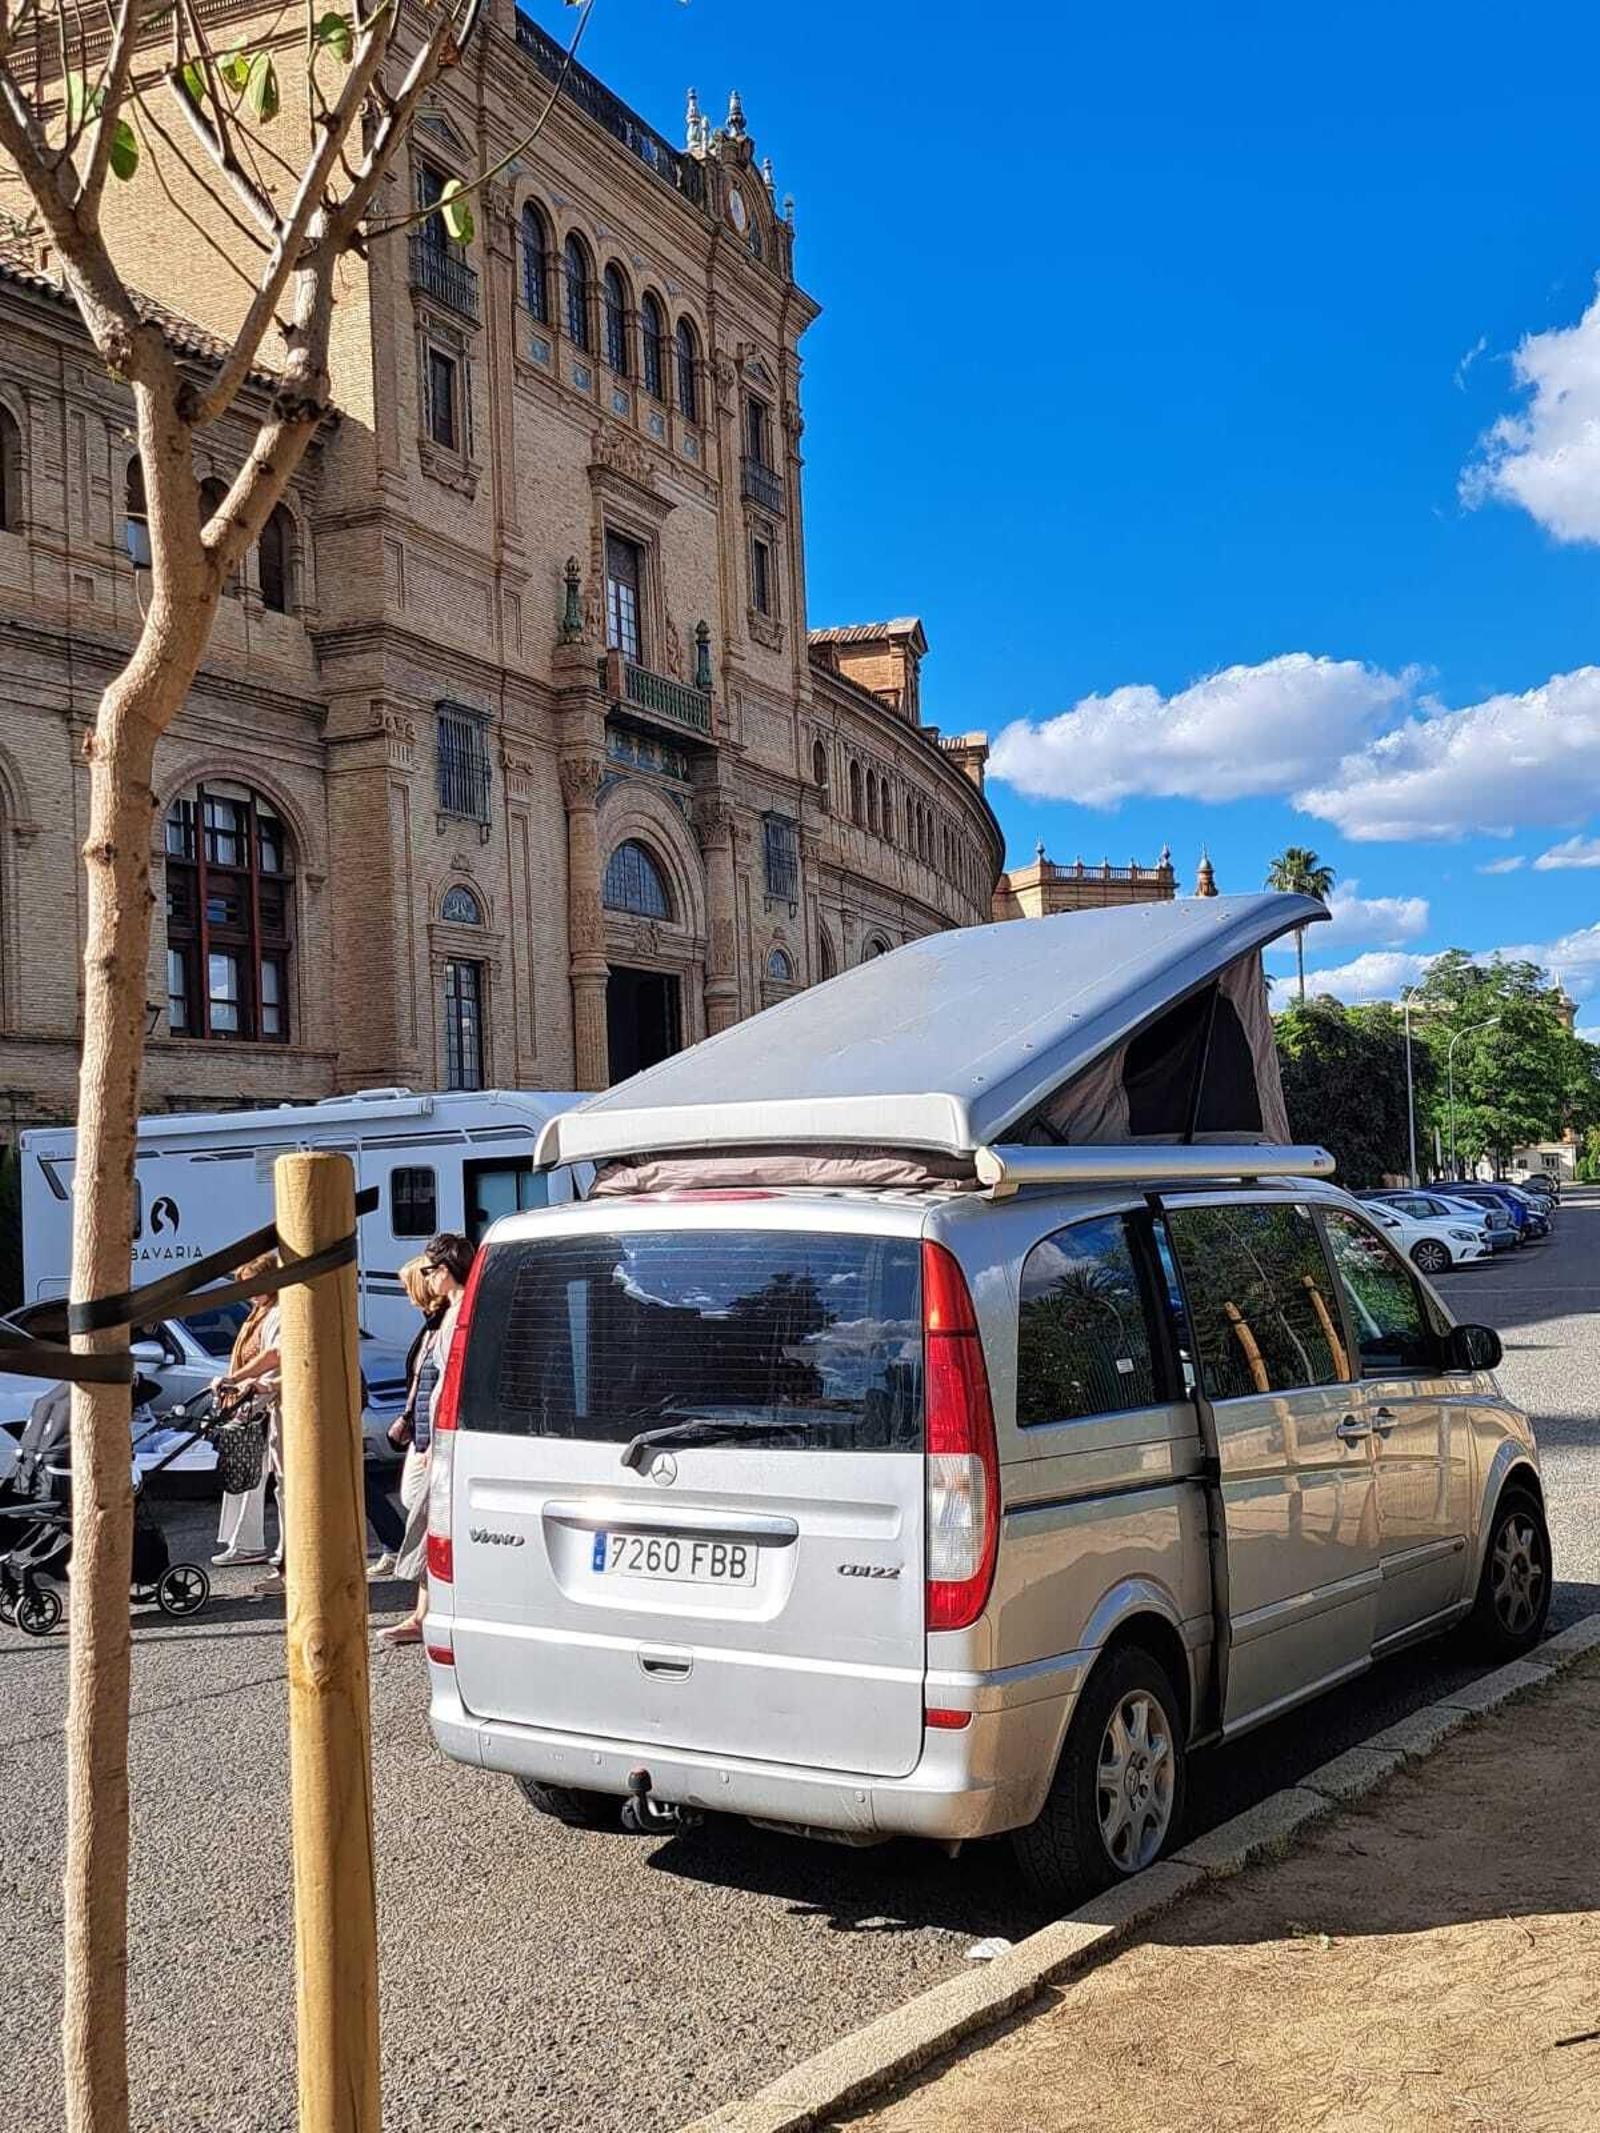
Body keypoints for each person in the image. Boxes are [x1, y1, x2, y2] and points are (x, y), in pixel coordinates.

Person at [377, 1231, 474, 1649]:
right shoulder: (451, 1313)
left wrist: (440, 1438)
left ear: (445, 1272)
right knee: (426, 1518)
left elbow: (451, 1383)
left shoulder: (459, 1314)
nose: (427, 1278)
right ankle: (425, 1612)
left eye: (430, 1270)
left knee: (432, 1523)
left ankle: (426, 1615)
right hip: (427, 1435)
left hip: (440, 1438)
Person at [363, 1256, 440, 1580]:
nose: (406, 1294)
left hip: (431, 1431)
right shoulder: (430, 1325)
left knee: (423, 1503)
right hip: (420, 1427)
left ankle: (422, 1572)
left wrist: (422, 1428)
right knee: (414, 1499)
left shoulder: (441, 1325)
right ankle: (416, 1568)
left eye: (409, 1286)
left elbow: (433, 1378)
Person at [211, 1254, 280, 1570]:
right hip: (247, 1405)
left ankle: (252, 1543)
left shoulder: (278, 1313)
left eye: (254, 1283)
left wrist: (239, 1380)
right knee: (243, 1473)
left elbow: (273, 1355)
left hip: (263, 1405)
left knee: (259, 1476)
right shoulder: (259, 1312)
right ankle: (242, 1541)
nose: (249, 1291)